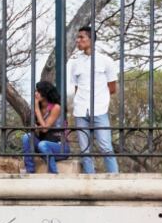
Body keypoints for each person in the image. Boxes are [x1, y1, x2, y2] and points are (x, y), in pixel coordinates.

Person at [68, 26, 118, 173]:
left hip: (99, 109)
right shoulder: (75, 62)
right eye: (77, 37)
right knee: (85, 150)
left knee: (106, 147)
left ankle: (114, 178)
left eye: (81, 37)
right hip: (80, 110)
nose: (78, 40)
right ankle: (90, 179)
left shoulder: (105, 61)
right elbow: (76, 87)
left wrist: (99, 98)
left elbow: (112, 88)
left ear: (91, 39)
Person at [22, 81, 69, 174]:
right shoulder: (39, 108)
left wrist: (36, 109)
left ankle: (53, 173)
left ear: (46, 93)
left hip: (60, 147)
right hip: (43, 145)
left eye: (39, 91)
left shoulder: (56, 107)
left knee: (43, 144)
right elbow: (38, 129)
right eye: (36, 91)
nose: (36, 94)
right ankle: (30, 171)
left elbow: (44, 128)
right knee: (27, 137)